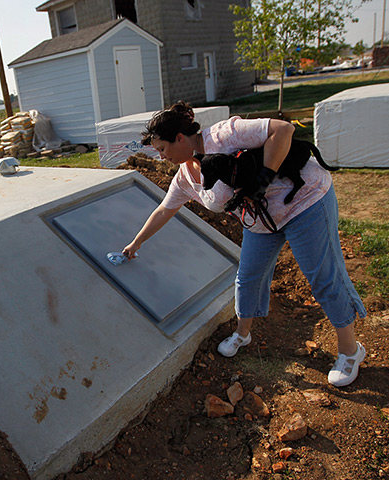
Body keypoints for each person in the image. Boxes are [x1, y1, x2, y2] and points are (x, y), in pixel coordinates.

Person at [122, 101, 367, 387]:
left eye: (162, 149)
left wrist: (263, 177)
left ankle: (351, 351)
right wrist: (135, 243)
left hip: (304, 201)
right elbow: (164, 210)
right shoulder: (185, 178)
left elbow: (283, 129)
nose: (161, 157)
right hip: (262, 221)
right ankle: (243, 333)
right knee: (247, 277)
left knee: (321, 277)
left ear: (179, 138)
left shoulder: (224, 135)